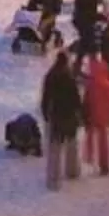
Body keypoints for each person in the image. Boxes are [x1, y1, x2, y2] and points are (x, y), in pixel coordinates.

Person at [41, 50, 84, 191]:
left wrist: (45, 113)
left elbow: (46, 97)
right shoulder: (70, 77)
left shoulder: (50, 76)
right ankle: (72, 171)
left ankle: (53, 178)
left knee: (55, 148)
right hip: (70, 115)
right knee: (71, 144)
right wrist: (80, 114)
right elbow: (76, 99)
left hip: (56, 115)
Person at [80, 44, 109, 177]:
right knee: (103, 139)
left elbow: (86, 99)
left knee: (90, 136)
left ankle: (90, 157)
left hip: (92, 113)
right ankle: (104, 164)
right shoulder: (108, 84)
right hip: (105, 114)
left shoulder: (90, 83)